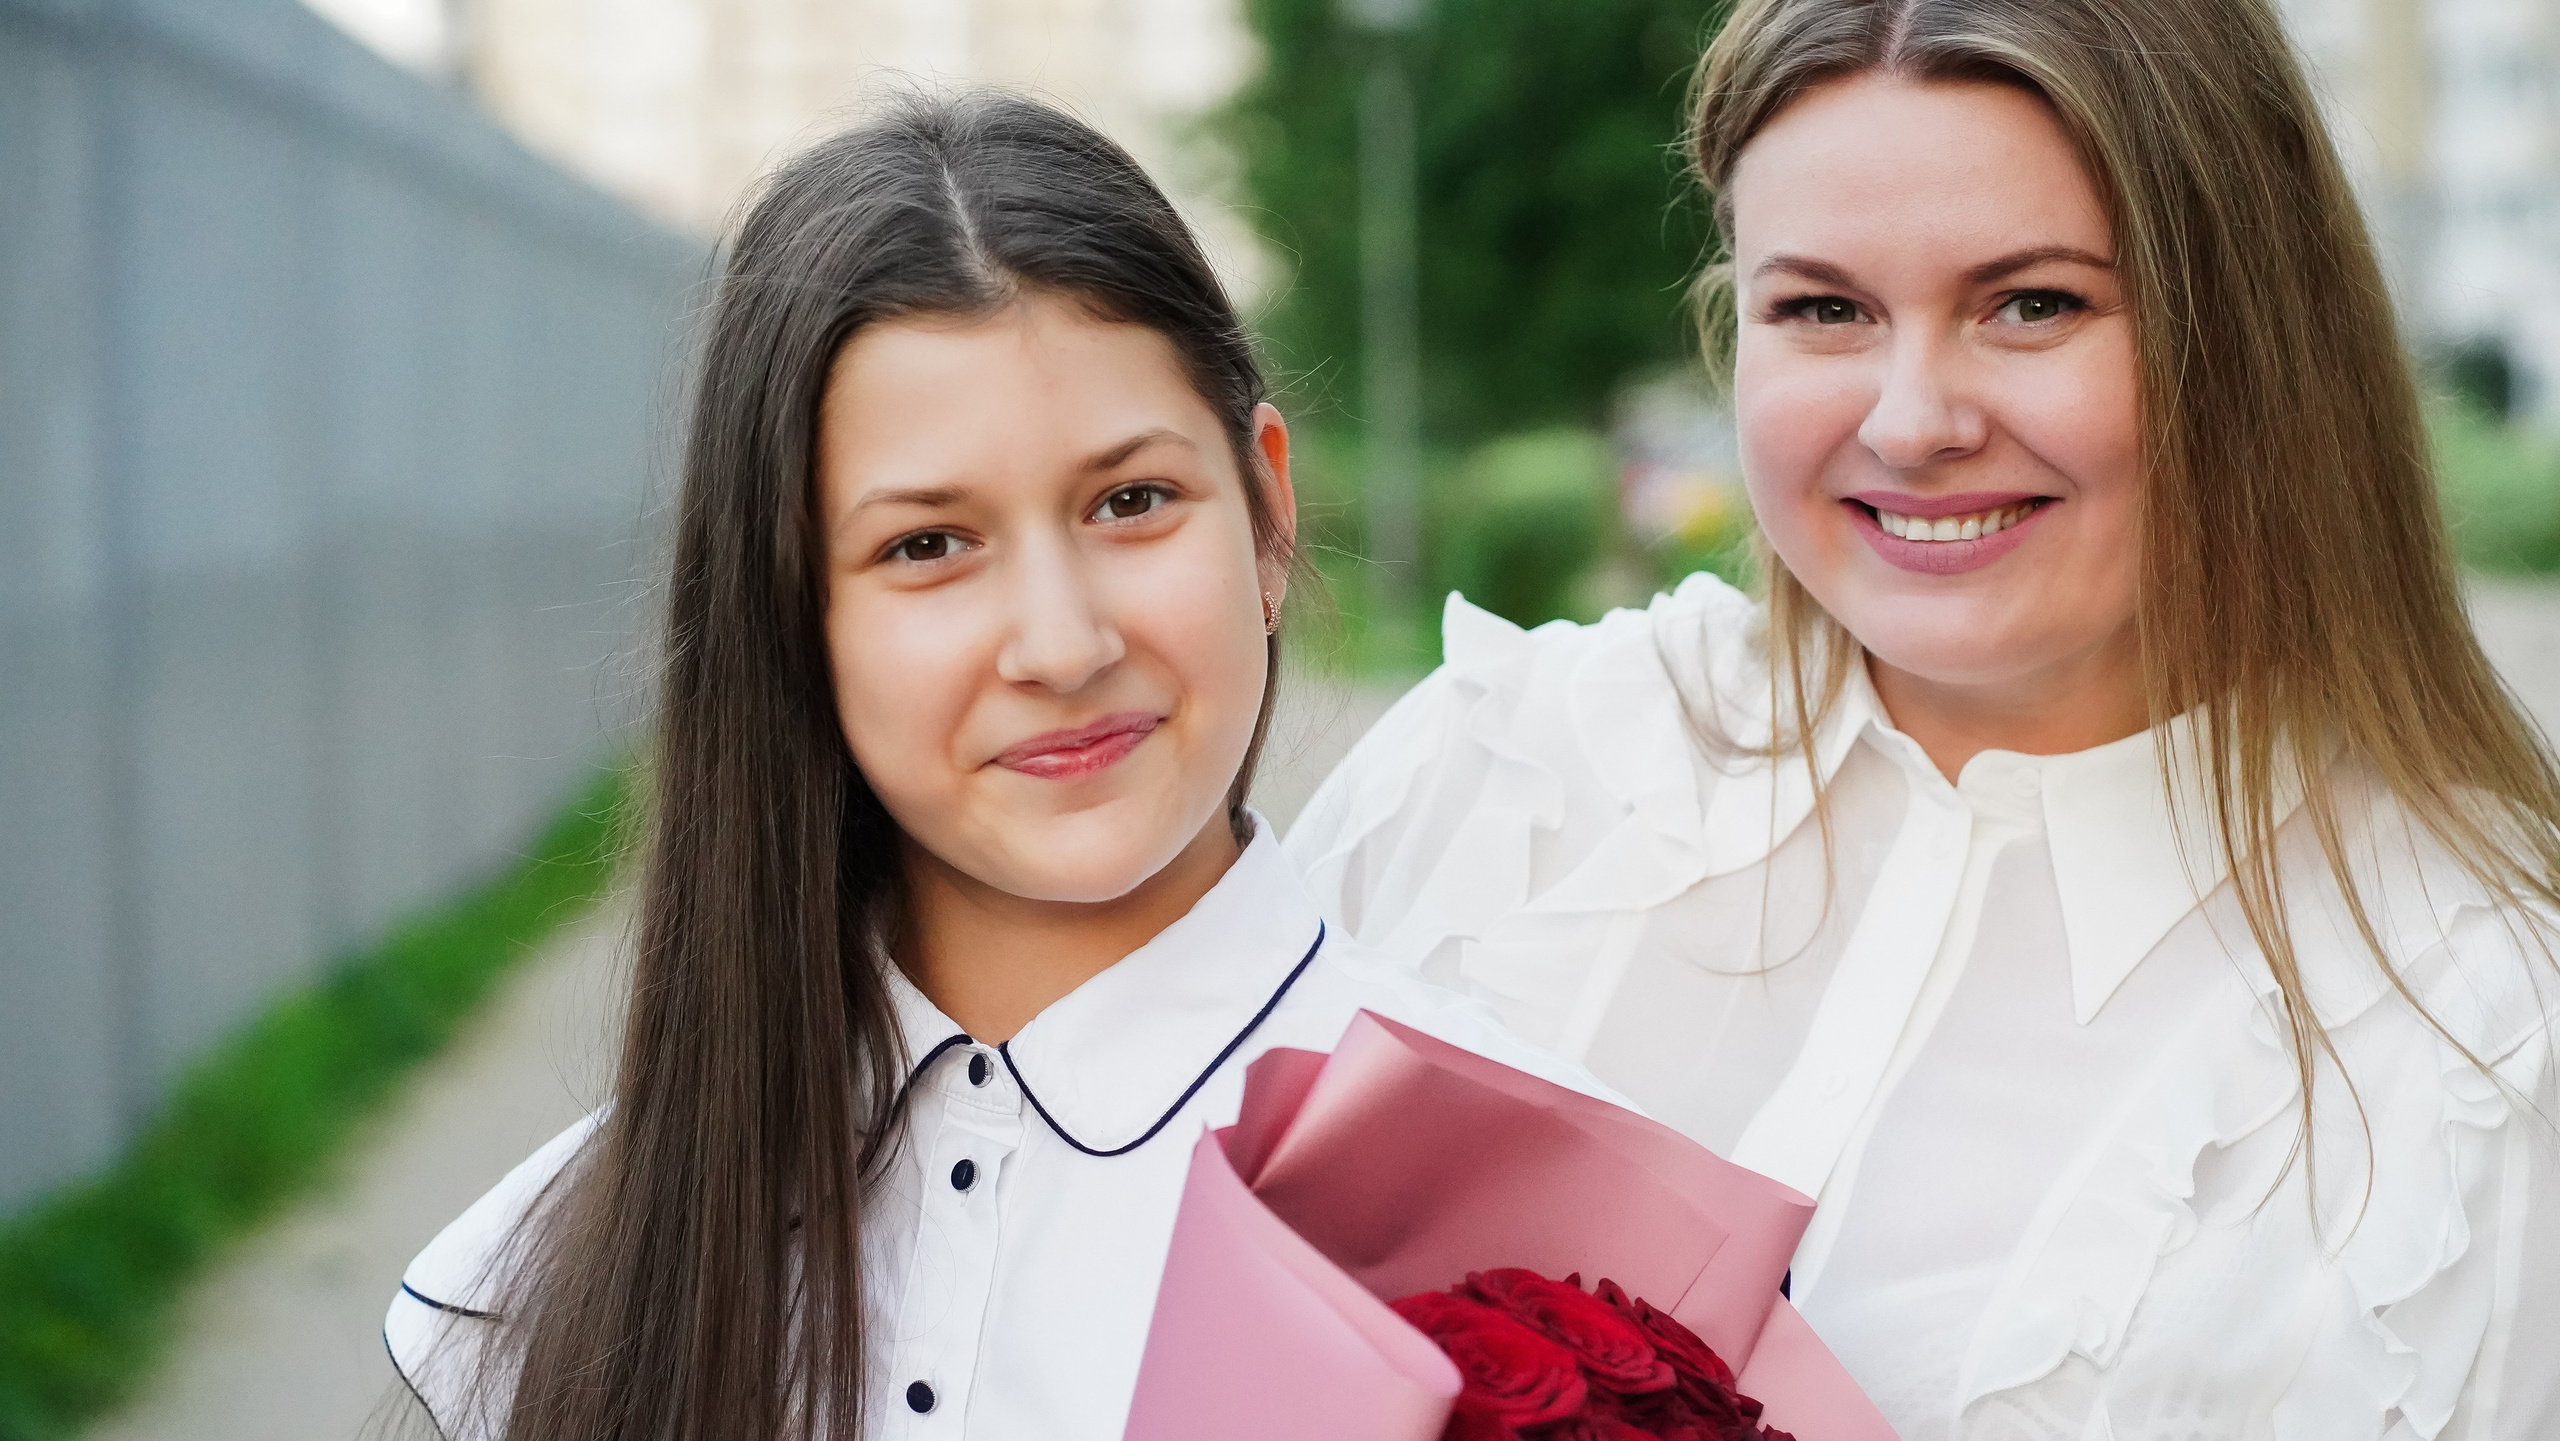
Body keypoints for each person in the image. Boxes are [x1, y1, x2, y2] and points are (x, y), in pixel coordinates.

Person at [1287, 1, 2560, 1437]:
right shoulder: (1498, 770)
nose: (1911, 421)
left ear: (2256, 343)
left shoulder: (2482, 1024)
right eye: (1824, 308)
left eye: (2034, 303)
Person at [381, 90, 1600, 1441]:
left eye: (1132, 501)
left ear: (1268, 507)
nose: (1062, 643)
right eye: (927, 545)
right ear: (791, 609)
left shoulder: (1569, 1252)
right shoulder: (545, 1296)